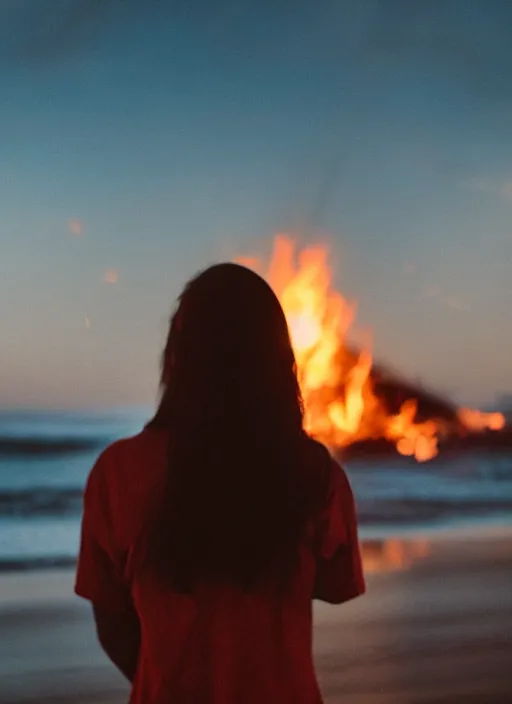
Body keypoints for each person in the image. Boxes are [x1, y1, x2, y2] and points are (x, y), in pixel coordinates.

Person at [75, 262, 365, 703]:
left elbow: (111, 622)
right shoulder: (313, 472)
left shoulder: (117, 473)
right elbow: (337, 586)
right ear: (278, 358)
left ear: (176, 354)